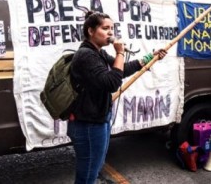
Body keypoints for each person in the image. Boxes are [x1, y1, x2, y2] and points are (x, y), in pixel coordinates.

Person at [67, 11, 167, 184]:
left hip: (99, 119)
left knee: (95, 168)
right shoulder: (86, 55)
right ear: (91, 31)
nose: (111, 33)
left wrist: (151, 57)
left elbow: (120, 69)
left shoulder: (98, 52)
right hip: (88, 124)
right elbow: (113, 82)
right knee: (88, 173)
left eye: (112, 29)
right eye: (105, 28)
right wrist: (120, 52)